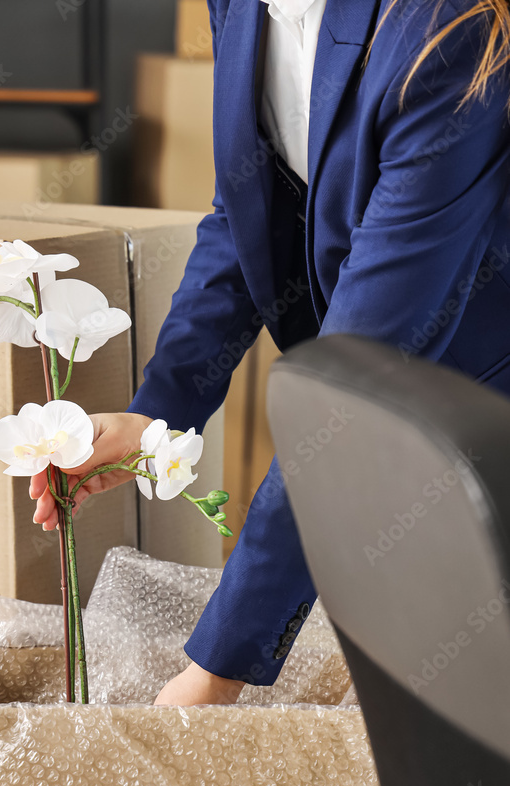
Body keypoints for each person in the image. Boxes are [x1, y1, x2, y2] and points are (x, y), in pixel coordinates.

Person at [32, 0, 510, 706]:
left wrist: (214, 671)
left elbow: (352, 377)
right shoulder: (242, 6)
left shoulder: (448, 33)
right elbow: (245, 212)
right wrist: (157, 416)